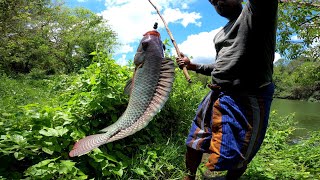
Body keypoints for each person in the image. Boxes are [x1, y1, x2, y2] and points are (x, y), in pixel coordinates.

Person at [176, 0, 278, 179]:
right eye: (212, 2)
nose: (217, 3)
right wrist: (193, 66)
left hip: (247, 96)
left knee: (241, 149)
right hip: (217, 93)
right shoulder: (220, 34)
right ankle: (189, 176)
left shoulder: (256, 15)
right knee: (195, 139)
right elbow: (221, 66)